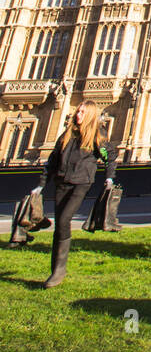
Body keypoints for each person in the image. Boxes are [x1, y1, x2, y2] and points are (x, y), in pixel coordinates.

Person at [32, 100, 117, 288]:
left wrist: (110, 178)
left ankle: (59, 271)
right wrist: (40, 185)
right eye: (78, 111)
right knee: (60, 225)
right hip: (62, 181)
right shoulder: (66, 135)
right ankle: (56, 269)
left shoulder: (96, 136)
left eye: (82, 112)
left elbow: (109, 156)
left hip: (81, 183)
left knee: (63, 221)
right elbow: (52, 161)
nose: (77, 114)